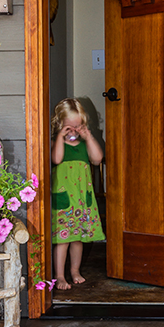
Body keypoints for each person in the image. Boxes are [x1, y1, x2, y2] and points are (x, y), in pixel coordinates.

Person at [50, 98, 105, 290]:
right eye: (69, 127)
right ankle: (59, 276)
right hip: (65, 201)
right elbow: (56, 159)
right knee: (62, 240)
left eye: (78, 126)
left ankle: (75, 270)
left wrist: (88, 137)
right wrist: (60, 137)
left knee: (77, 239)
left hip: (81, 201)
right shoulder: (57, 144)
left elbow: (97, 159)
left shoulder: (84, 144)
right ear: (60, 125)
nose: (73, 131)